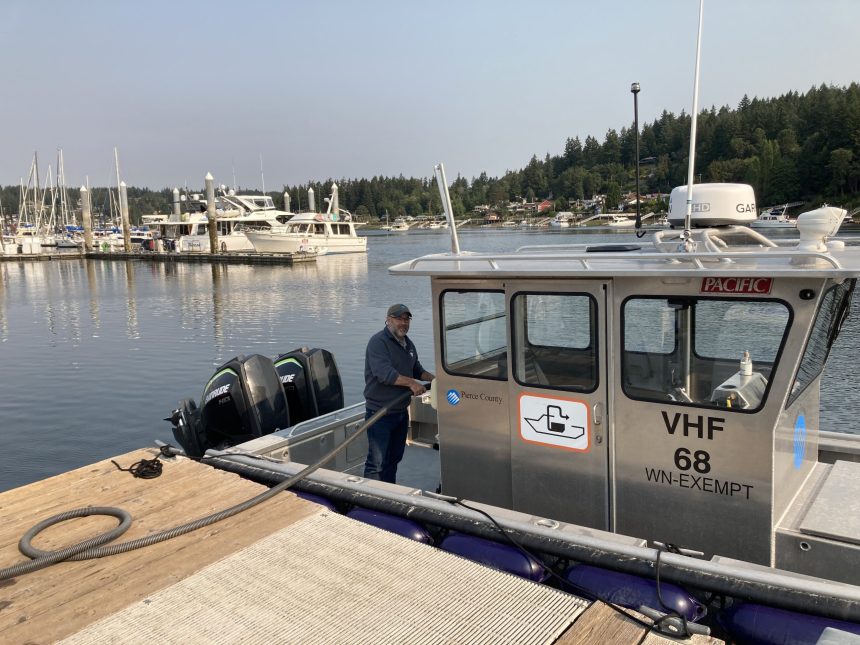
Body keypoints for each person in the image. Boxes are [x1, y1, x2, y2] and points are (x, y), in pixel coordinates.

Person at [363, 303, 434, 483]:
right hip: (380, 413)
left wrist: (436, 379)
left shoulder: (408, 344)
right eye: (399, 319)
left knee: (394, 459)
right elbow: (384, 374)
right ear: (388, 320)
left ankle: (388, 494)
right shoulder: (378, 342)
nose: (403, 323)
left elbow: (416, 369)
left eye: (406, 319)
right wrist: (411, 383)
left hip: (400, 413)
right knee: (376, 463)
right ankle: (370, 501)